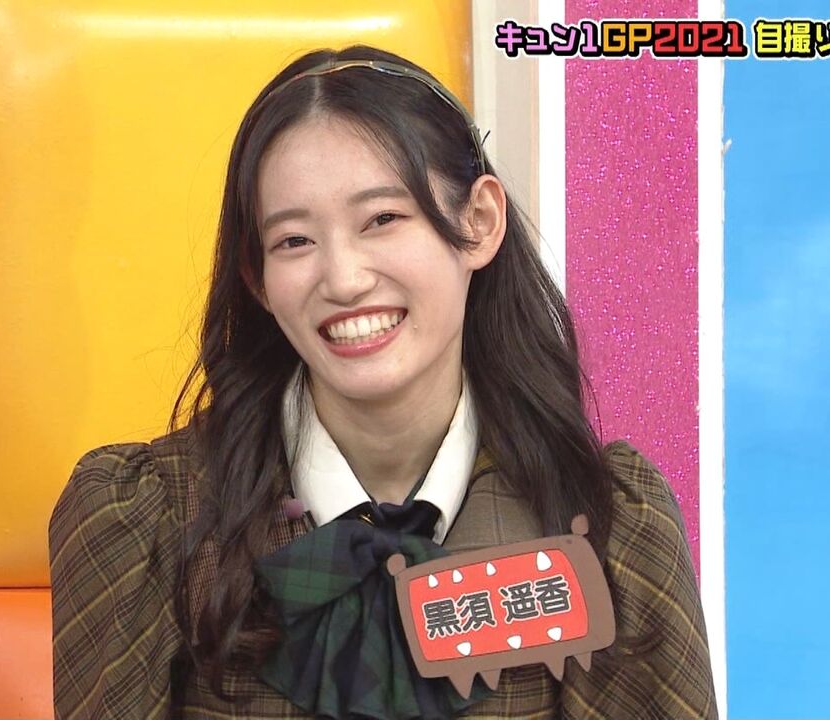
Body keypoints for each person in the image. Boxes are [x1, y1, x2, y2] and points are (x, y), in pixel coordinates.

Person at [49, 44, 716, 719]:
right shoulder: (151, 521)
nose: (343, 280)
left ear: (478, 223)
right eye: (294, 241)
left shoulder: (604, 526)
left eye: (383, 220)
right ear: (258, 279)